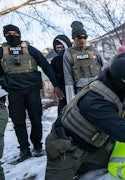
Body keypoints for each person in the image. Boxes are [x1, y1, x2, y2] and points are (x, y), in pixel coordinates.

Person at [45, 58, 125, 179]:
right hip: (67, 149)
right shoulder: (95, 101)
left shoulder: (120, 90)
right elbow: (124, 132)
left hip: (94, 145)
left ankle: (84, 166)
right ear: (120, 80)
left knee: (117, 160)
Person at [0, 24, 64, 162]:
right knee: (18, 122)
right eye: (8, 33)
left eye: (14, 33)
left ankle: (37, 146)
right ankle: (24, 149)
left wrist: (56, 85)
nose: (12, 35)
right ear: (4, 35)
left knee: (36, 120)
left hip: (32, 90)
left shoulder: (30, 49)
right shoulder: (2, 51)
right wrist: (3, 81)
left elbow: (46, 67)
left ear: (19, 34)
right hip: (14, 92)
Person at [63, 21, 105, 104]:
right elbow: (68, 78)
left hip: (98, 87)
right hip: (81, 90)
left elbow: (105, 67)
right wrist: (70, 100)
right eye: (79, 37)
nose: (82, 40)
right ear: (74, 38)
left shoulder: (93, 50)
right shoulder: (68, 53)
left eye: (85, 37)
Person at [50, 35, 72, 114]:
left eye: (62, 47)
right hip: (63, 92)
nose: (60, 50)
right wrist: (56, 86)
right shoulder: (55, 61)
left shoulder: (73, 57)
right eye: (57, 48)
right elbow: (52, 76)